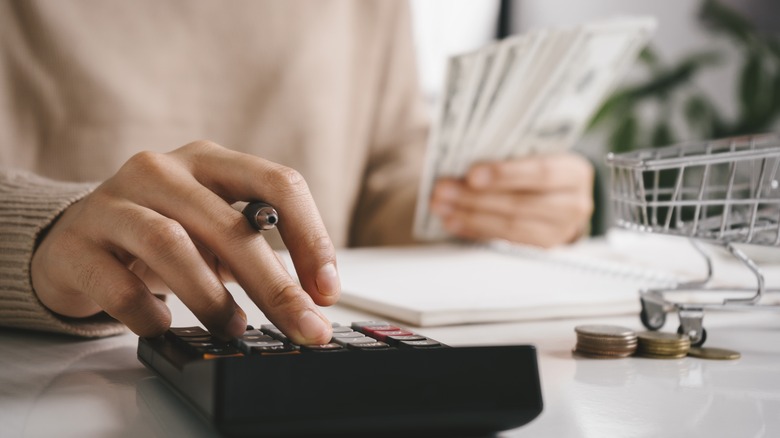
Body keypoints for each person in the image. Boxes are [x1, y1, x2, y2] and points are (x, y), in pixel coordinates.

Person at [0, 1, 594, 344]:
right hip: (55, 372)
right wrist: (41, 234)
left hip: (314, 356)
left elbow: (388, 176)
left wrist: (490, 198)